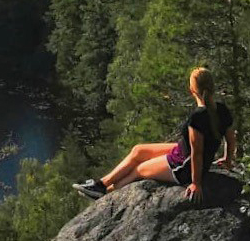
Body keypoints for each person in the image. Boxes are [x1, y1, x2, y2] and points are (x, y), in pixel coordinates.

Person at [72, 67, 236, 203]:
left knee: (138, 170)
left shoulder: (198, 117)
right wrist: (228, 160)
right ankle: (101, 184)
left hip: (183, 167)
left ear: (192, 89)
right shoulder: (221, 109)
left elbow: (197, 153)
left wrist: (196, 183)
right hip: (183, 154)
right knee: (138, 151)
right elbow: (230, 139)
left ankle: (106, 194)